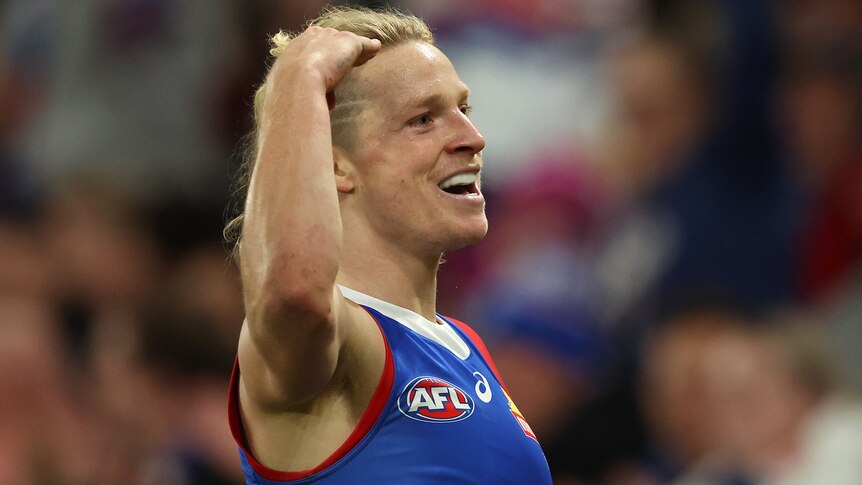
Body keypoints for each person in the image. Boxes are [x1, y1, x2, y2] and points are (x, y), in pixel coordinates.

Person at [223, 6, 552, 484]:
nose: (473, 138)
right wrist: (299, 75)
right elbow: (295, 292)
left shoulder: (464, 345)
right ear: (335, 166)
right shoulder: (335, 346)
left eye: (464, 110)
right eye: (423, 119)